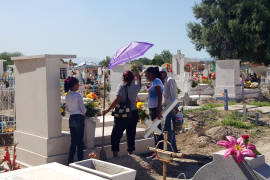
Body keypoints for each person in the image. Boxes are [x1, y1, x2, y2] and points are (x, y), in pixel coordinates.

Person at [103, 71, 141, 157]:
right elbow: (140, 83)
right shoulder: (136, 87)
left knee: (115, 135)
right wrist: (138, 76)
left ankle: (115, 154)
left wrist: (107, 110)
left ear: (123, 78)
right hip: (133, 113)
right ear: (132, 78)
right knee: (131, 135)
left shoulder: (121, 87)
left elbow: (117, 100)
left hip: (122, 114)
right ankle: (130, 153)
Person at [65, 77, 86, 164]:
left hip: (72, 118)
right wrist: (85, 113)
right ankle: (80, 161)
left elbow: (67, 109)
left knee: (73, 141)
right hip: (79, 118)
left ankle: (70, 161)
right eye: (77, 84)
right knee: (80, 141)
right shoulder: (77, 95)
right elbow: (83, 109)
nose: (78, 86)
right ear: (73, 85)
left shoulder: (67, 95)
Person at [145, 67, 164, 155]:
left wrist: (158, 110)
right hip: (153, 109)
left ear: (151, 74)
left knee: (157, 130)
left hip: (155, 109)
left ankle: (159, 151)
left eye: (147, 74)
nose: (146, 76)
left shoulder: (156, 81)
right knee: (156, 130)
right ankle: (157, 150)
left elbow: (160, 96)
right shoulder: (155, 81)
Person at [160, 68, 178, 152]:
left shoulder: (170, 80)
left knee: (167, 129)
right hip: (165, 108)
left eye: (161, 73)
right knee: (169, 129)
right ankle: (173, 149)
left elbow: (173, 94)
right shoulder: (163, 81)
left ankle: (169, 150)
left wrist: (175, 106)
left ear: (164, 73)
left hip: (170, 107)